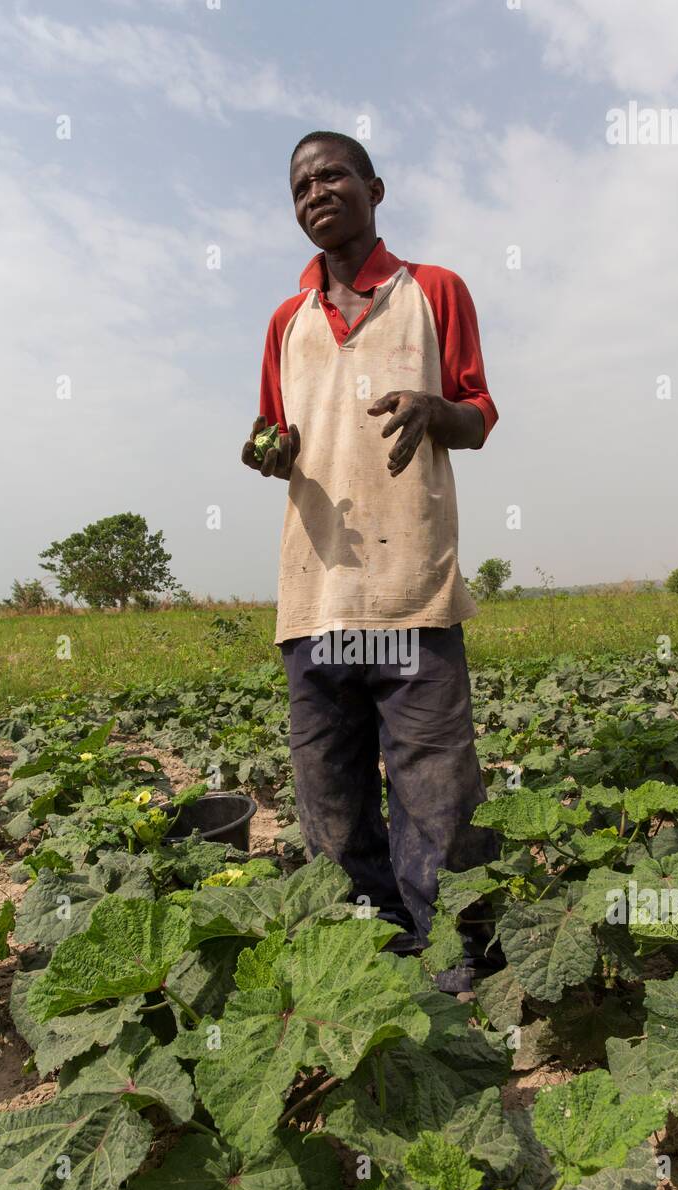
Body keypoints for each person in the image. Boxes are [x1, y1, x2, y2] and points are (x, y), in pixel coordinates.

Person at [242, 130, 501, 993]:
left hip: (411, 592)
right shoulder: (285, 320)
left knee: (437, 799)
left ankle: (461, 970)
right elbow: (274, 431)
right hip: (314, 596)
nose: (317, 193)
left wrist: (435, 408)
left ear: (374, 188)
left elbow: (479, 414)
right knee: (332, 807)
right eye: (301, 187)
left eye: (333, 176)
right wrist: (268, 450)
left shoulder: (433, 291)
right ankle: (376, 971)